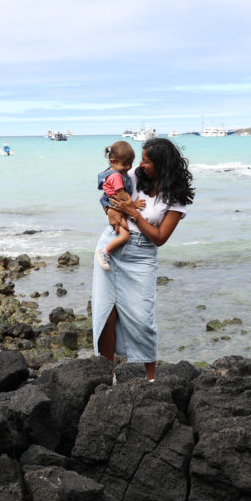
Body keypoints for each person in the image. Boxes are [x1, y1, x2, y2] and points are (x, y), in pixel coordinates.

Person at [92, 137, 195, 382]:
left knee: (143, 317)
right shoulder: (134, 177)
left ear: (163, 164)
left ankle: (150, 378)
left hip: (141, 257)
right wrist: (110, 212)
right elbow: (109, 196)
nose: (141, 164)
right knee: (107, 313)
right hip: (112, 245)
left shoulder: (176, 197)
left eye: (147, 161)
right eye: (142, 159)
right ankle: (109, 374)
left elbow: (159, 237)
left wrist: (133, 213)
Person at [95, 141, 136, 271]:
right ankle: (105, 252)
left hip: (113, 204)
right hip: (114, 206)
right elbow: (121, 195)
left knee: (121, 229)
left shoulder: (114, 171)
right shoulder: (116, 176)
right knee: (125, 236)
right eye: (125, 164)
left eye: (130, 163)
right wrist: (133, 205)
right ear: (112, 161)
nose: (128, 167)